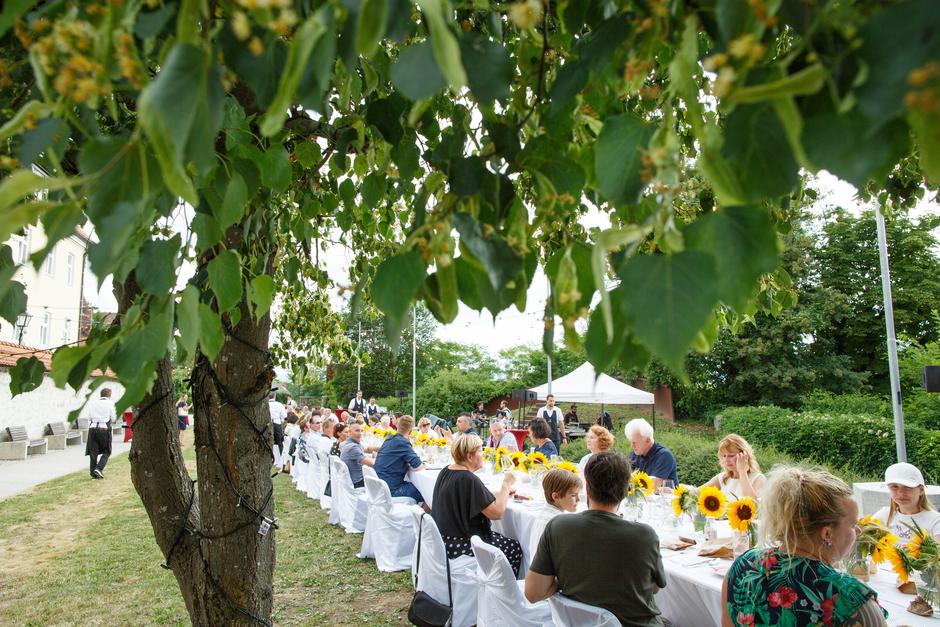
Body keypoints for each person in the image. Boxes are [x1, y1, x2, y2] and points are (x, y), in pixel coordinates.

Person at [722, 466, 888, 627]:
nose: (858, 531)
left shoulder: (744, 566)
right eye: (852, 525)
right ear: (827, 534)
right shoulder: (847, 597)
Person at [525, 452, 666, 625]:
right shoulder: (645, 535)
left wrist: (566, 578)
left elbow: (534, 593)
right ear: (625, 491)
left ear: (588, 488)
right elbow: (655, 588)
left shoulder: (558, 526)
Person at [431, 434, 524, 574]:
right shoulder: (468, 479)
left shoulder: (447, 471)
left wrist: (502, 493)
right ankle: (503, 592)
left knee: (501, 539)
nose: (483, 454)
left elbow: (475, 495)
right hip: (461, 543)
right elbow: (497, 513)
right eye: (480, 451)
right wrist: (506, 484)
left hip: (443, 539)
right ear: (470, 456)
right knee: (514, 548)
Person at [872, 462, 940, 541]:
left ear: (921, 490)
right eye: (894, 487)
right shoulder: (883, 516)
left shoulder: (936, 521)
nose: (901, 493)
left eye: (907, 487)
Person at [373, 415, 428, 509]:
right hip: (392, 491)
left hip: (380, 489)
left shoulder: (389, 439)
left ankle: (417, 517)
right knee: (429, 491)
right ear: (410, 431)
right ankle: (421, 521)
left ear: (397, 427)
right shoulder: (403, 442)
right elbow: (419, 467)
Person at [528, 468, 581, 550]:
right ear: (556, 496)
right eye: (573, 495)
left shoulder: (542, 515)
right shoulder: (559, 523)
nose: (578, 499)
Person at [701, 434, 765, 500]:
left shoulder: (758, 479)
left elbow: (755, 504)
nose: (726, 460)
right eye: (724, 456)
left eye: (731, 456)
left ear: (744, 455)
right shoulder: (723, 478)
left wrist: (742, 472)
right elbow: (697, 492)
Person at [625, 418, 678, 489]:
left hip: (666, 499)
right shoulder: (635, 454)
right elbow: (625, 479)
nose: (632, 446)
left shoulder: (664, 456)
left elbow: (654, 486)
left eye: (635, 443)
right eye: (631, 442)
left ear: (648, 440)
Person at [86, 387, 117, 479]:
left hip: (92, 428)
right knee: (107, 451)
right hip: (103, 428)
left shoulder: (93, 403)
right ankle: (98, 469)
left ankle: (93, 474)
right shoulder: (111, 403)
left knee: (93, 452)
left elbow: (89, 417)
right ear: (110, 395)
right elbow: (113, 418)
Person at [340, 421, 378, 488]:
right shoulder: (352, 447)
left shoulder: (350, 443)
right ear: (349, 432)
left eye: (362, 431)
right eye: (357, 431)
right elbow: (372, 463)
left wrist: (383, 448)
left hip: (353, 480)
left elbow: (367, 449)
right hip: (358, 483)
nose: (360, 433)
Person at [269, 392, 287, 468]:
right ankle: (281, 460)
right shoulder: (279, 404)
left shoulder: (266, 404)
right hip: (276, 423)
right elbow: (284, 415)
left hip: (268, 423)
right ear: (275, 396)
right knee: (279, 442)